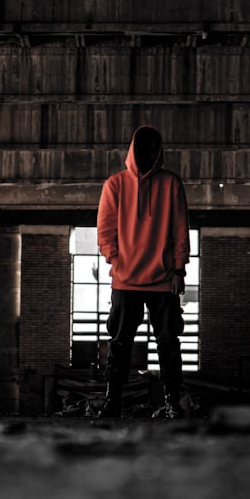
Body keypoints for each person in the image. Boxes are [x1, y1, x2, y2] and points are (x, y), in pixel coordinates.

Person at [97, 125, 190, 418]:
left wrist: (179, 270)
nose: (149, 155)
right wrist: (117, 261)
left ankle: (172, 402)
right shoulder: (115, 185)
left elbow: (180, 230)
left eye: (154, 149)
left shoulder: (171, 184)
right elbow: (105, 231)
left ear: (159, 152)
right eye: (143, 149)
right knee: (120, 345)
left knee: (168, 345)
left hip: (164, 281)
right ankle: (113, 402)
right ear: (134, 151)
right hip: (126, 281)